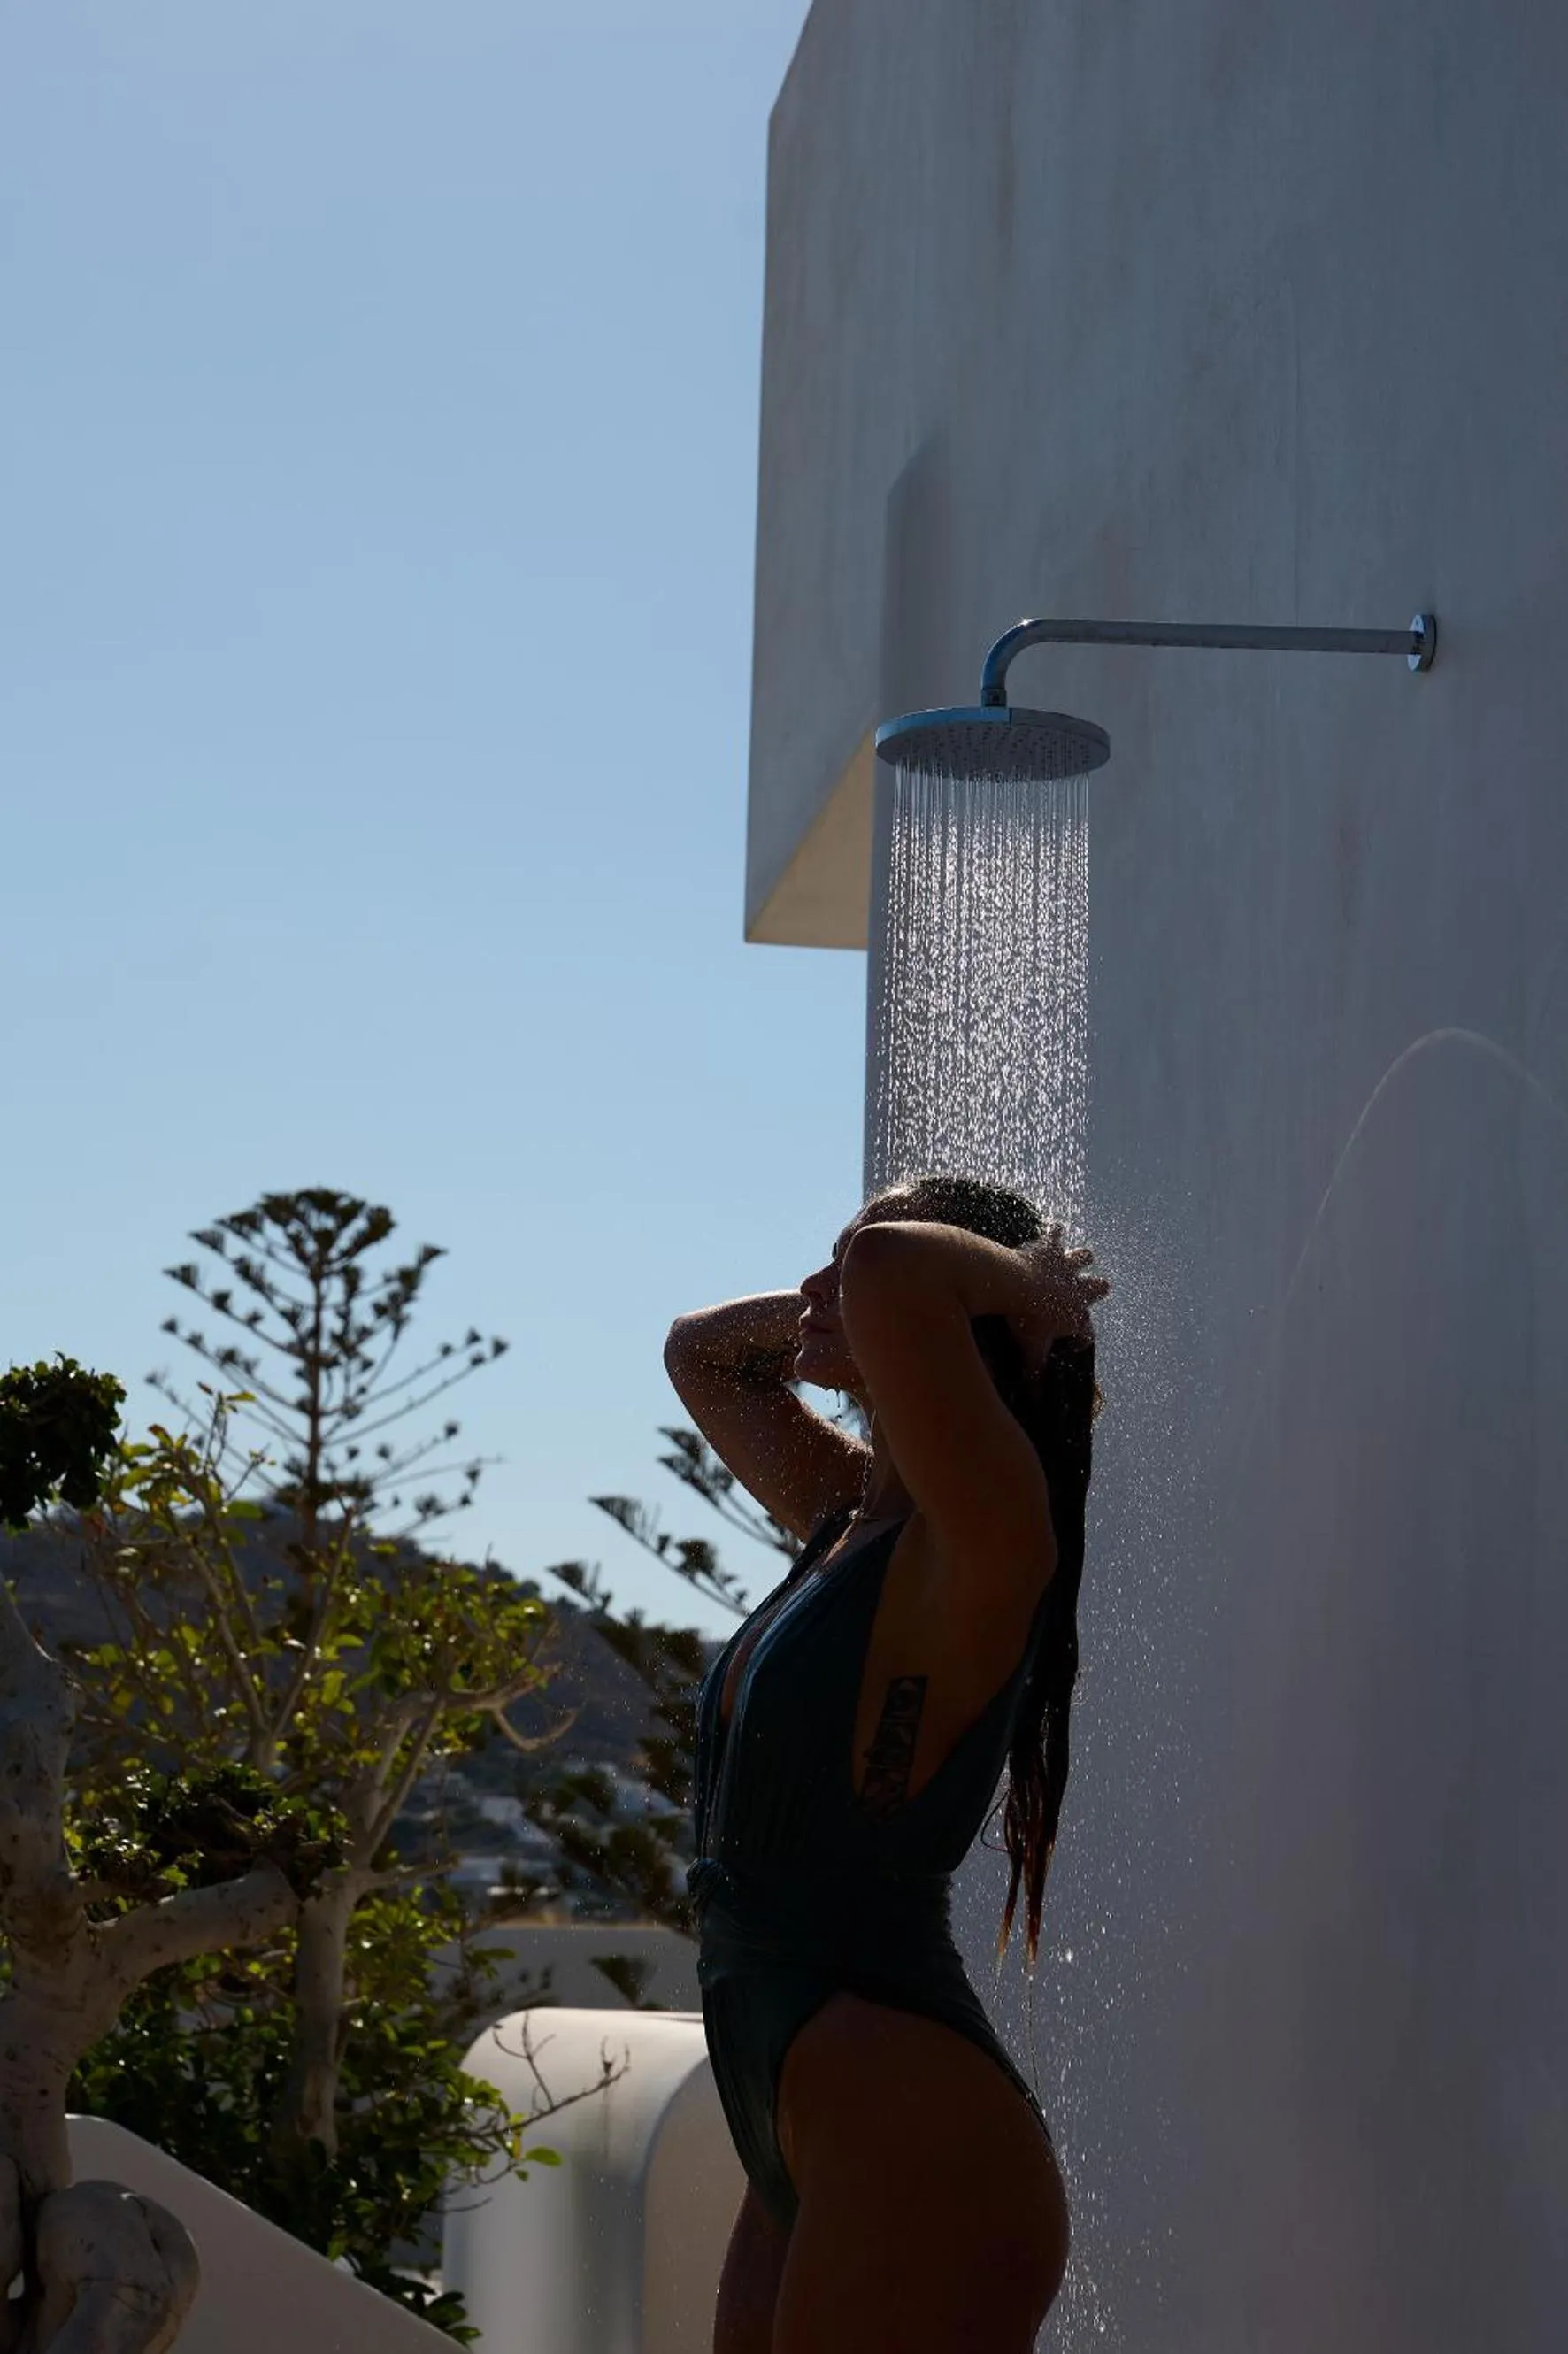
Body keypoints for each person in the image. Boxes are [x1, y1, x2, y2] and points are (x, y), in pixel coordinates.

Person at [665, 1173, 1109, 2354]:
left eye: (849, 1264)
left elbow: (895, 1274)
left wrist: (1032, 1292)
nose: (829, 1286)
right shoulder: (846, 1513)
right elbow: (705, 1355)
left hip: (905, 2115)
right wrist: (836, 1309)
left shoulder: (984, 1533)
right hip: (805, 2111)